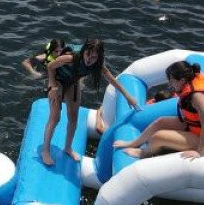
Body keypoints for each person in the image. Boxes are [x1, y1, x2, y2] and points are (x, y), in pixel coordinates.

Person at [41, 38, 140, 166]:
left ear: (98, 57)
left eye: (94, 57)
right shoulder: (70, 58)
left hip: (72, 82)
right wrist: (53, 87)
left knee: (73, 117)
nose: (89, 60)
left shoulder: (98, 64)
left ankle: (68, 148)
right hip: (57, 81)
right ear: (83, 51)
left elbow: (111, 79)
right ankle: (45, 150)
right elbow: (50, 67)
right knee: (55, 117)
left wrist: (127, 96)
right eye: (88, 54)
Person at [114, 61, 204, 160]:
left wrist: (199, 152)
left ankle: (144, 153)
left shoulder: (198, 97)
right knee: (161, 122)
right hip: (197, 128)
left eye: (171, 80)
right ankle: (133, 143)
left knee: (158, 137)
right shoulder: (191, 82)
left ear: (182, 80)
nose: (169, 84)